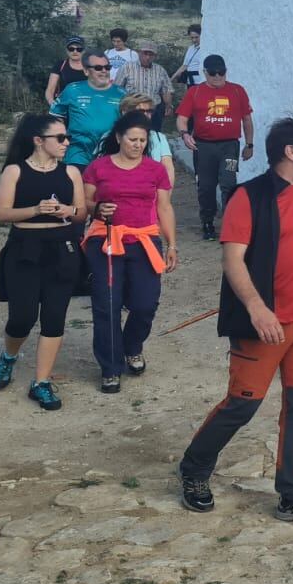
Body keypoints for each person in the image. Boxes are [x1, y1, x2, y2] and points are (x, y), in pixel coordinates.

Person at [179, 118, 293, 523]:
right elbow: (232, 259)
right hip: (264, 325)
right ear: (291, 152)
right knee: (242, 405)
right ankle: (195, 470)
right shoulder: (250, 197)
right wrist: (257, 308)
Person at [0, 114, 86, 409]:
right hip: (25, 250)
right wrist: (35, 209)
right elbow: (2, 214)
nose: (66, 143)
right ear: (38, 141)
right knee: (22, 317)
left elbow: (81, 213)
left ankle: (41, 382)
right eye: (60, 138)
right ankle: (9, 356)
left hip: (62, 249)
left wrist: (66, 209)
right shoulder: (15, 171)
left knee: (54, 318)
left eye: (67, 137)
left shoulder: (71, 172)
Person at [81, 111, 178, 393]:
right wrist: (97, 209)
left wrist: (172, 244)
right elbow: (86, 202)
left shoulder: (155, 170)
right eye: (132, 139)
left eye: (142, 140)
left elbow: (164, 207)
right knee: (106, 305)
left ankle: (132, 346)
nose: (137, 144)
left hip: (145, 240)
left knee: (146, 303)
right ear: (118, 138)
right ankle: (110, 367)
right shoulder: (98, 167)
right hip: (107, 240)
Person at [176, 54, 255, 241]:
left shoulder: (237, 91)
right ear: (205, 73)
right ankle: (207, 221)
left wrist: (250, 144)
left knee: (228, 182)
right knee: (206, 186)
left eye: (222, 72)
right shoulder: (195, 92)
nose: (218, 76)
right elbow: (182, 118)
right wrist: (185, 134)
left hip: (229, 146)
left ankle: (230, 223)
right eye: (213, 73)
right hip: (204, 147)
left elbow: (247, 119)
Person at [49, 52, 125, 169]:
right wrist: (59, 140)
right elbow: (55, 116)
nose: (104, 71)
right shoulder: (72, 90)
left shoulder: (122, 93)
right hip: (78, 152)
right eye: (98, 68)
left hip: (110, 152)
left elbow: (131, 123)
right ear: (86, 71)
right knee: (78, 185)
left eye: (107, 67)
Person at [106, 94, 175, 184]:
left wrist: (165, 194)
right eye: (141, 111)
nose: (146, 115)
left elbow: (168, 169)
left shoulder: (159, 138)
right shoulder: (110, 136)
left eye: (149, 111)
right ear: (125, 112)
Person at [113, 39, 173, 131]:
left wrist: (168, 106)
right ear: (139, 53)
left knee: (153, 136)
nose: (147, 57)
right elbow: (117, 88)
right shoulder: (127, 67)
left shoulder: (160, 70)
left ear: (155, 56)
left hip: (153, 111)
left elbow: (166, 90)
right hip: (132, 109)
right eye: (145, 53)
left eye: (151, 54)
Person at [44, 36, 88, 106]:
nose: (75, 51)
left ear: (84, 50)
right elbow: (50, 89)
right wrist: (52, 103)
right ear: (66, 50)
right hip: (64, 106)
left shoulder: (90, 66)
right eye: (71, 49)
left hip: (86, 106)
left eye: (79, 49)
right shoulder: (60, 66)